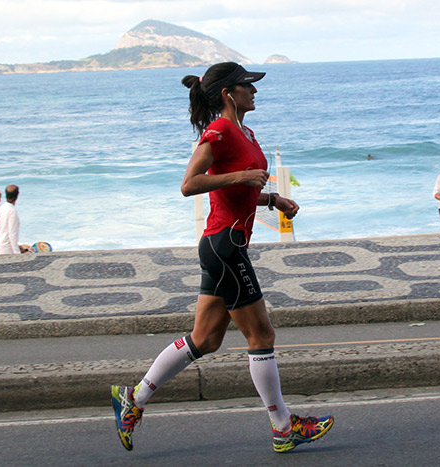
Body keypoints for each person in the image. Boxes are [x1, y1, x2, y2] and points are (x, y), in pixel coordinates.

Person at [110, 62, 334, 454]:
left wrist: (270, 198)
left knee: (206, 339)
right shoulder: (220, 131)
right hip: (225, 248)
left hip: (222, 245)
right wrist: (241, 177)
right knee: (261, 335)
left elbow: (239, 187)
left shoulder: (244, 132)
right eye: (249, 86)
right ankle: (283, 427)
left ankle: (134, 398)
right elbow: (189, 184)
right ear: (230, 93)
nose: (255, 92)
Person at [0, 185, 23, 254]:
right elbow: (12, 233)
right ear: (17, 195)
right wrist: (17, 252)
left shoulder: (2, 207)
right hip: (7, 247)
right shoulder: (12, 211)